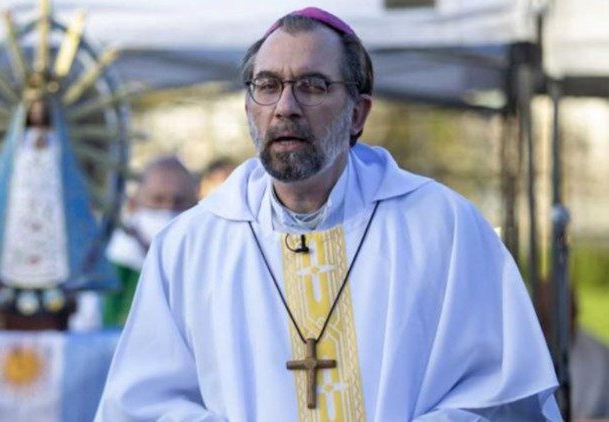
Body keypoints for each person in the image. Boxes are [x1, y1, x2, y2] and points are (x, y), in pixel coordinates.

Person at [95, 7, 560, 421]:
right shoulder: (190, 246)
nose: (285, 107)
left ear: (359, 113)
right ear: (247, 107)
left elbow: (503, 401)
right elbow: (143, 405)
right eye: (267, 85)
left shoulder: (444, 228)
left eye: (312, 86)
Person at [103, 156, 198, 326]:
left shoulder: (207, 257)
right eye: (157, 199)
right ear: (136, 202)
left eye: (179, 201)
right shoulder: (113, 261)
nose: (168, 208)